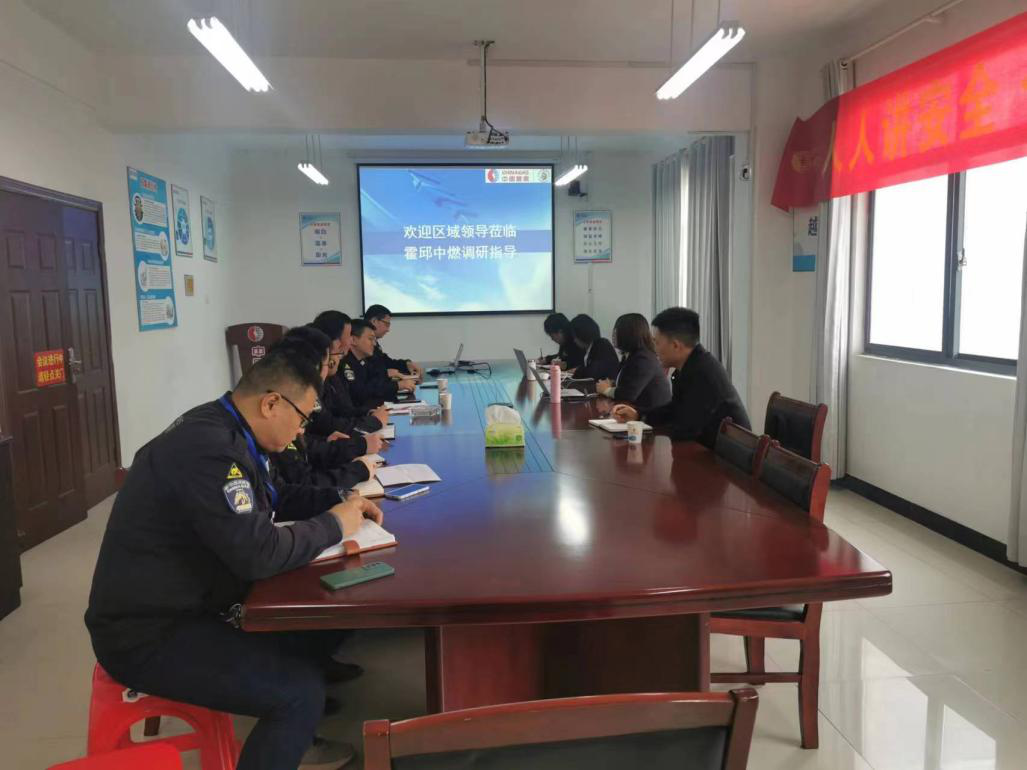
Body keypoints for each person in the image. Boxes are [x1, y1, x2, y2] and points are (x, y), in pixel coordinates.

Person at [85, 346, 383, 770]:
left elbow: (275, 498)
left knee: (318, 624)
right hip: (148, 632)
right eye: (302, 418)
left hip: (194, 603)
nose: (302, 431)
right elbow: (258, 554)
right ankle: (293, 730)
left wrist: (341, 499)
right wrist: (334, 525)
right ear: (271, 403)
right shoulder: (210, 450)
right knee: (299, 692)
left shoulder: (229, 428)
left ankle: (295, 735)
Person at [612, 307, 750, 447]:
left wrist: (645, 434)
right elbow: (674, 410)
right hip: (704, 448)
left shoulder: (703, 372)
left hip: (725, 455)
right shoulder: (688, 366)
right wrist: (638, 415)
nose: (654, 348)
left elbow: (687, 429)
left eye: (657, 342)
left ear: (675, 346)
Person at [311, 311, 390, 431]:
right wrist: (372, 422)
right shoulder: (319, 374)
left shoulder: (336, 368)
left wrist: (368, 413)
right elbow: (324, 423)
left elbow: (343, 408)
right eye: (348, 336)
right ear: (334, 341)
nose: (349, 341)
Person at [596, 313, 671, 412]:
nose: (613, 335)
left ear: (629, 334)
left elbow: (629, 394)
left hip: (652, 416)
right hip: (635, 411)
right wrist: (612, 384)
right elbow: (626, 383)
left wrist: (606, 390)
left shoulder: (644, 359)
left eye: (616, 331)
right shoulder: (630, 355)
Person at [344, 319, 416, 406]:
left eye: (374, 339)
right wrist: (397, 385)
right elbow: (360, 394)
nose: (374, 344)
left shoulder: (363, 361)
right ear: (353, 340)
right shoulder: (345, 364)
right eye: (370, 339)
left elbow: (376, 382)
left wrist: (396, 382)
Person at [364, 304, 424, 381]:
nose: (388, 330)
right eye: (387, 324)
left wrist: (407, 364)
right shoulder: (361, 344)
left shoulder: (373, 342)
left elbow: (385, 362)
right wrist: (397, 385)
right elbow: (368, 377)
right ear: (374, 321)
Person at [569, 313, 620, 382]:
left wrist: (578, 371)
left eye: (575, 337)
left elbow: (593, 373)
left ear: (581, 334)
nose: (574, 340)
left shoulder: (602, 345)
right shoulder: (590, 347)